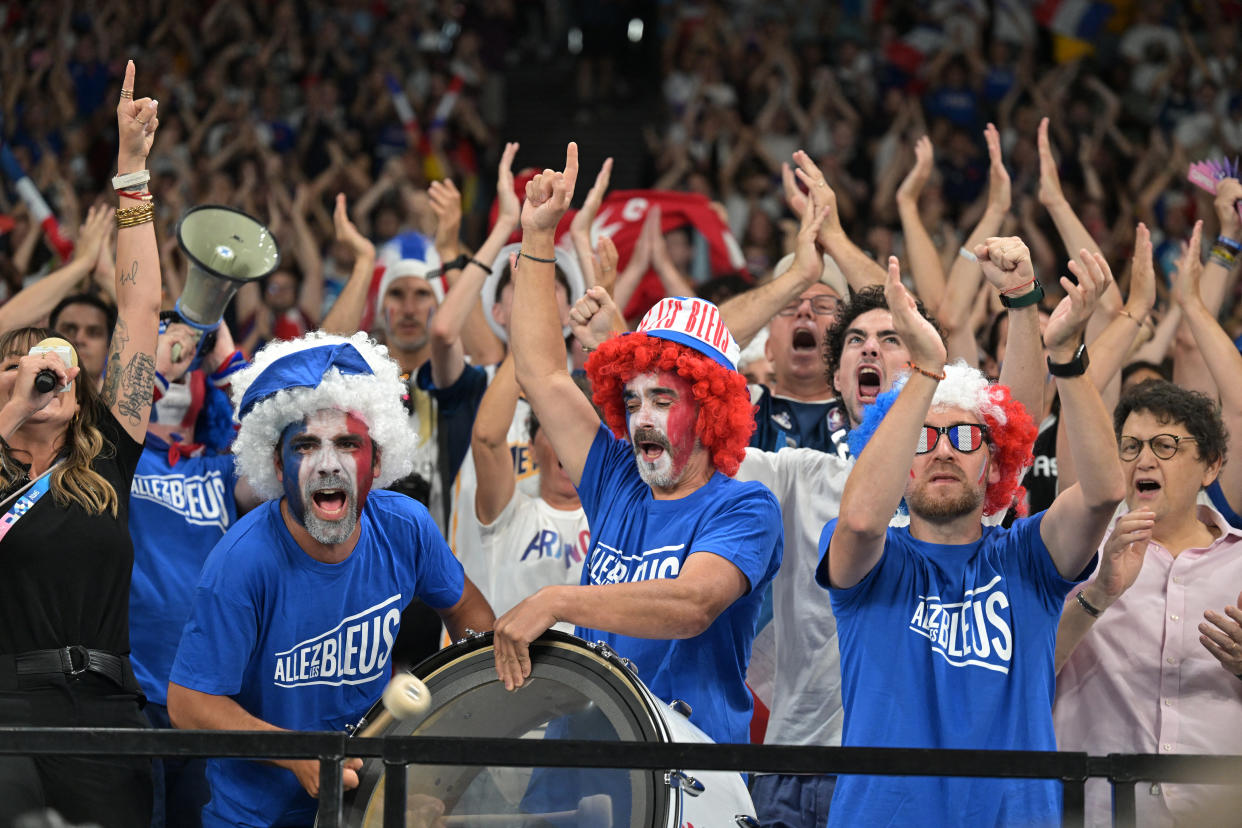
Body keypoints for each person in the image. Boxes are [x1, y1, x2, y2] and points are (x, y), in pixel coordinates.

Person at [818, 248, 1124, 827]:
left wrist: (1068, 359)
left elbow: (1104, 493)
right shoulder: (867, 555)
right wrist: (927, 371)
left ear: (994, 464)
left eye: (963, 436)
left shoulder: (1027, 555)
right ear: (896, 463)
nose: (940, 450)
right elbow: (862, 520)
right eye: (922, 438)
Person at [493, 143, 783, 747]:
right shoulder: (618, 474)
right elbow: (542, 373)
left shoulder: (745, 508)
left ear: (710, 410)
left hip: (690, 777)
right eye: (631, 400)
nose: (640, 419)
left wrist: (558, 601)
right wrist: (539, 236)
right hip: (581, 765)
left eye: (663, 400)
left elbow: (692, 605)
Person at [166, 331, 495, 827]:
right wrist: (296, 752)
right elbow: (188, 704)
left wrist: (454, 731)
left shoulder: (405, 526)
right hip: (257, 818)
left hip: (368, 805)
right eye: (305, 445)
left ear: (378, 460)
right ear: (277, 464)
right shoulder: (242, 560)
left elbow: (470, 614)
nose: (327, 464)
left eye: (347, 443)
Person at [0, 60, 163, 828]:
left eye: (58, 362)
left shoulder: (104, 460)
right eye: (23, 367)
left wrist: (131, 171)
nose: (45, 375)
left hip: (107, 710)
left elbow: (139, 305)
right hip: (6, 713)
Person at [1052, 380, 1242, 826]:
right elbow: (1023, 670)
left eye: (1165, 445)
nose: (1144, 459)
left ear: (1211, 467)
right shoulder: (1077, 553)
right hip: (1096, 809)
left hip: (1218, 812)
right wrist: (1097, 595)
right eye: (1131, 446)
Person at [129, 315, 256, 828]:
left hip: (210, 694)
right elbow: (105, 433)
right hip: (133, 694)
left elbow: (284, 458)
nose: (179, 373)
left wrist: (228, 363)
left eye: (188, 364)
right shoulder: (115, 458)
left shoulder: (220, 468)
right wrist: (156, 359)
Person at [465, 352, 590, 626]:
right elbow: (486, 439)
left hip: (597, 668)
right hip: (517, 667)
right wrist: (527, 341)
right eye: (554, 426)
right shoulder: (509, 517)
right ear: (531, 449)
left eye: (579, 428)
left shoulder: (619, 520)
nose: (567, 438)